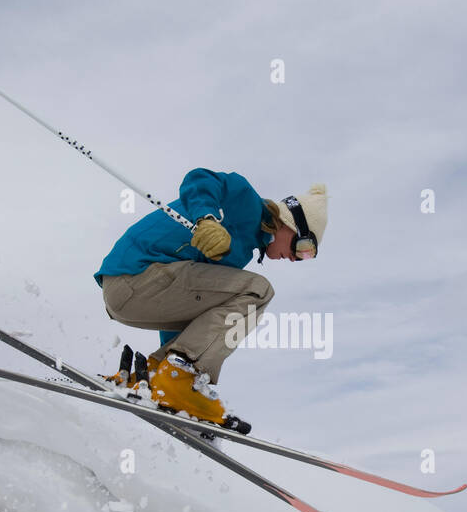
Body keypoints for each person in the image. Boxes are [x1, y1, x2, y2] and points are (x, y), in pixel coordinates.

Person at [94, 168, 327, 426]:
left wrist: (163, 365)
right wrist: (206, 219)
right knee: (258, 291)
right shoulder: (246, 202)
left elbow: (192, 312)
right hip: (136, 275)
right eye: (304, 247)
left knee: (234, 300)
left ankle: (159, 375)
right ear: (289, 223)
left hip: (133, 292)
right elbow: (200, 179)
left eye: (307, 256)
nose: (296, 258)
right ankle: (179, 376)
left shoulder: (241, 252)